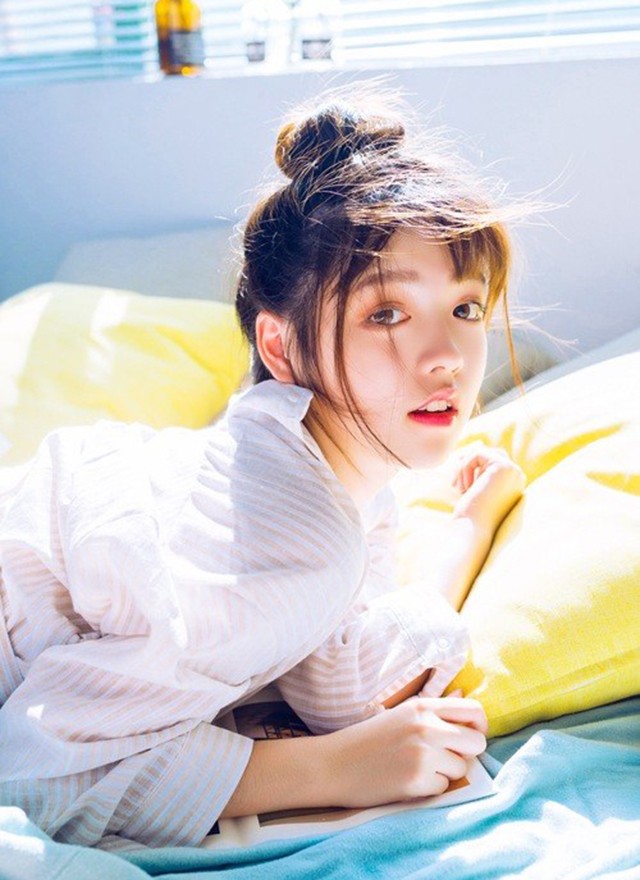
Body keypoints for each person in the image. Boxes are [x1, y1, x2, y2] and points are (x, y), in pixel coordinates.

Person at [0, 84, 525, 849]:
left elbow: (343, 679)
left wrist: (466, 527)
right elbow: (38, 772)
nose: (447, 357)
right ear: (280, 346)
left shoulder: (322, 472)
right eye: (386, 314)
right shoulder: (282, 530)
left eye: (466, 308)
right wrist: (330, 770)